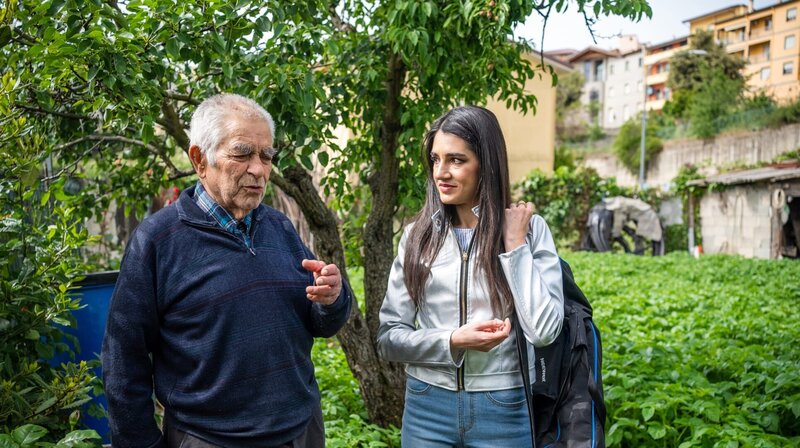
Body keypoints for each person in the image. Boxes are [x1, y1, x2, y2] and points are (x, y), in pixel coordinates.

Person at [102, 93, 352, 448]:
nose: (259, 169)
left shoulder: (279, 227)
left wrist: (332, 298)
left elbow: (322, 322)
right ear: (199, 159)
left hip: (300, 432)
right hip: (209, 439)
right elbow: (123, 359)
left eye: (266, 156)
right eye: (242, 153)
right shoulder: (157, 241)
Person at [376, 105, 564, 447]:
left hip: (504, 404)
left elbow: (545, 331)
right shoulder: (417, 236)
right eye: (435, 159)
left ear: (487, 164)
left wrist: (515, 245)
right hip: (426, 406)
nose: (441, 172)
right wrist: (452, 341)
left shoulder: (530, 231)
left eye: (456, 160)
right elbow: (389, 338)